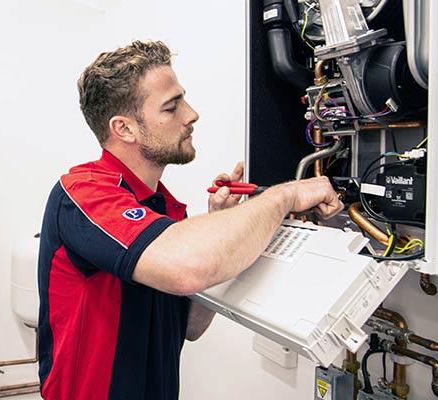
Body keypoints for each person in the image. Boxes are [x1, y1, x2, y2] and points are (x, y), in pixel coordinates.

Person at [37, 40, 343, 400]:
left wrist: (221, 221)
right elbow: (186, 268)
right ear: (125, 129)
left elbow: (191, 326)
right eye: (171, 107)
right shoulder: (84, 194)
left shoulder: (167, 210)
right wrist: (285, 194)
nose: (191, 114)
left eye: (184, 98)